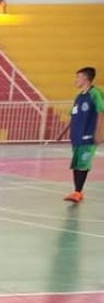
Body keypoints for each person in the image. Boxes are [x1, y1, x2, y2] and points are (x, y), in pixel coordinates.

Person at [62, 66, 104, 203]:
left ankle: (78, 192)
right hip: (77, 136)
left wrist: (98, 133)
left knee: (83, 164)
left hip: (88, 136)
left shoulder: (95, 93)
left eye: (78, 77)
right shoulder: (79, 97)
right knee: (76, 164)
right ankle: (76, 191)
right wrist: (63, 131)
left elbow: (101, 111)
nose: (75, 80)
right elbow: (73, 115)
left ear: (86, 78)